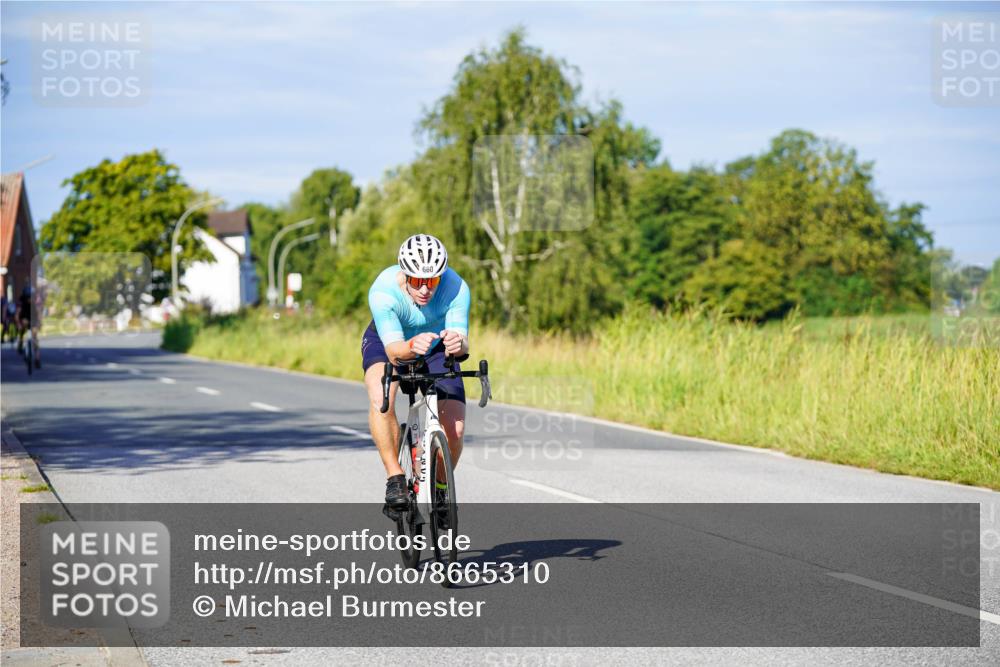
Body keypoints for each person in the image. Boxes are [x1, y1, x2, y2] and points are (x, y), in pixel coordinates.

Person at [362, 234, 470, 510]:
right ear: (405, 274)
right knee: (380, 396)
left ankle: (442, 489)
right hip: (391, 342)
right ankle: (395, 476)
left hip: (435, 346)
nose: (425, 289)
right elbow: (395, 352)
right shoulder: (383, 291)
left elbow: (462, 343)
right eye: (418, 281)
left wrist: (458, 344)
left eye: (432, 281)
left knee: (455, 429)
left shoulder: (456, 288)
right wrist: (411, 345)